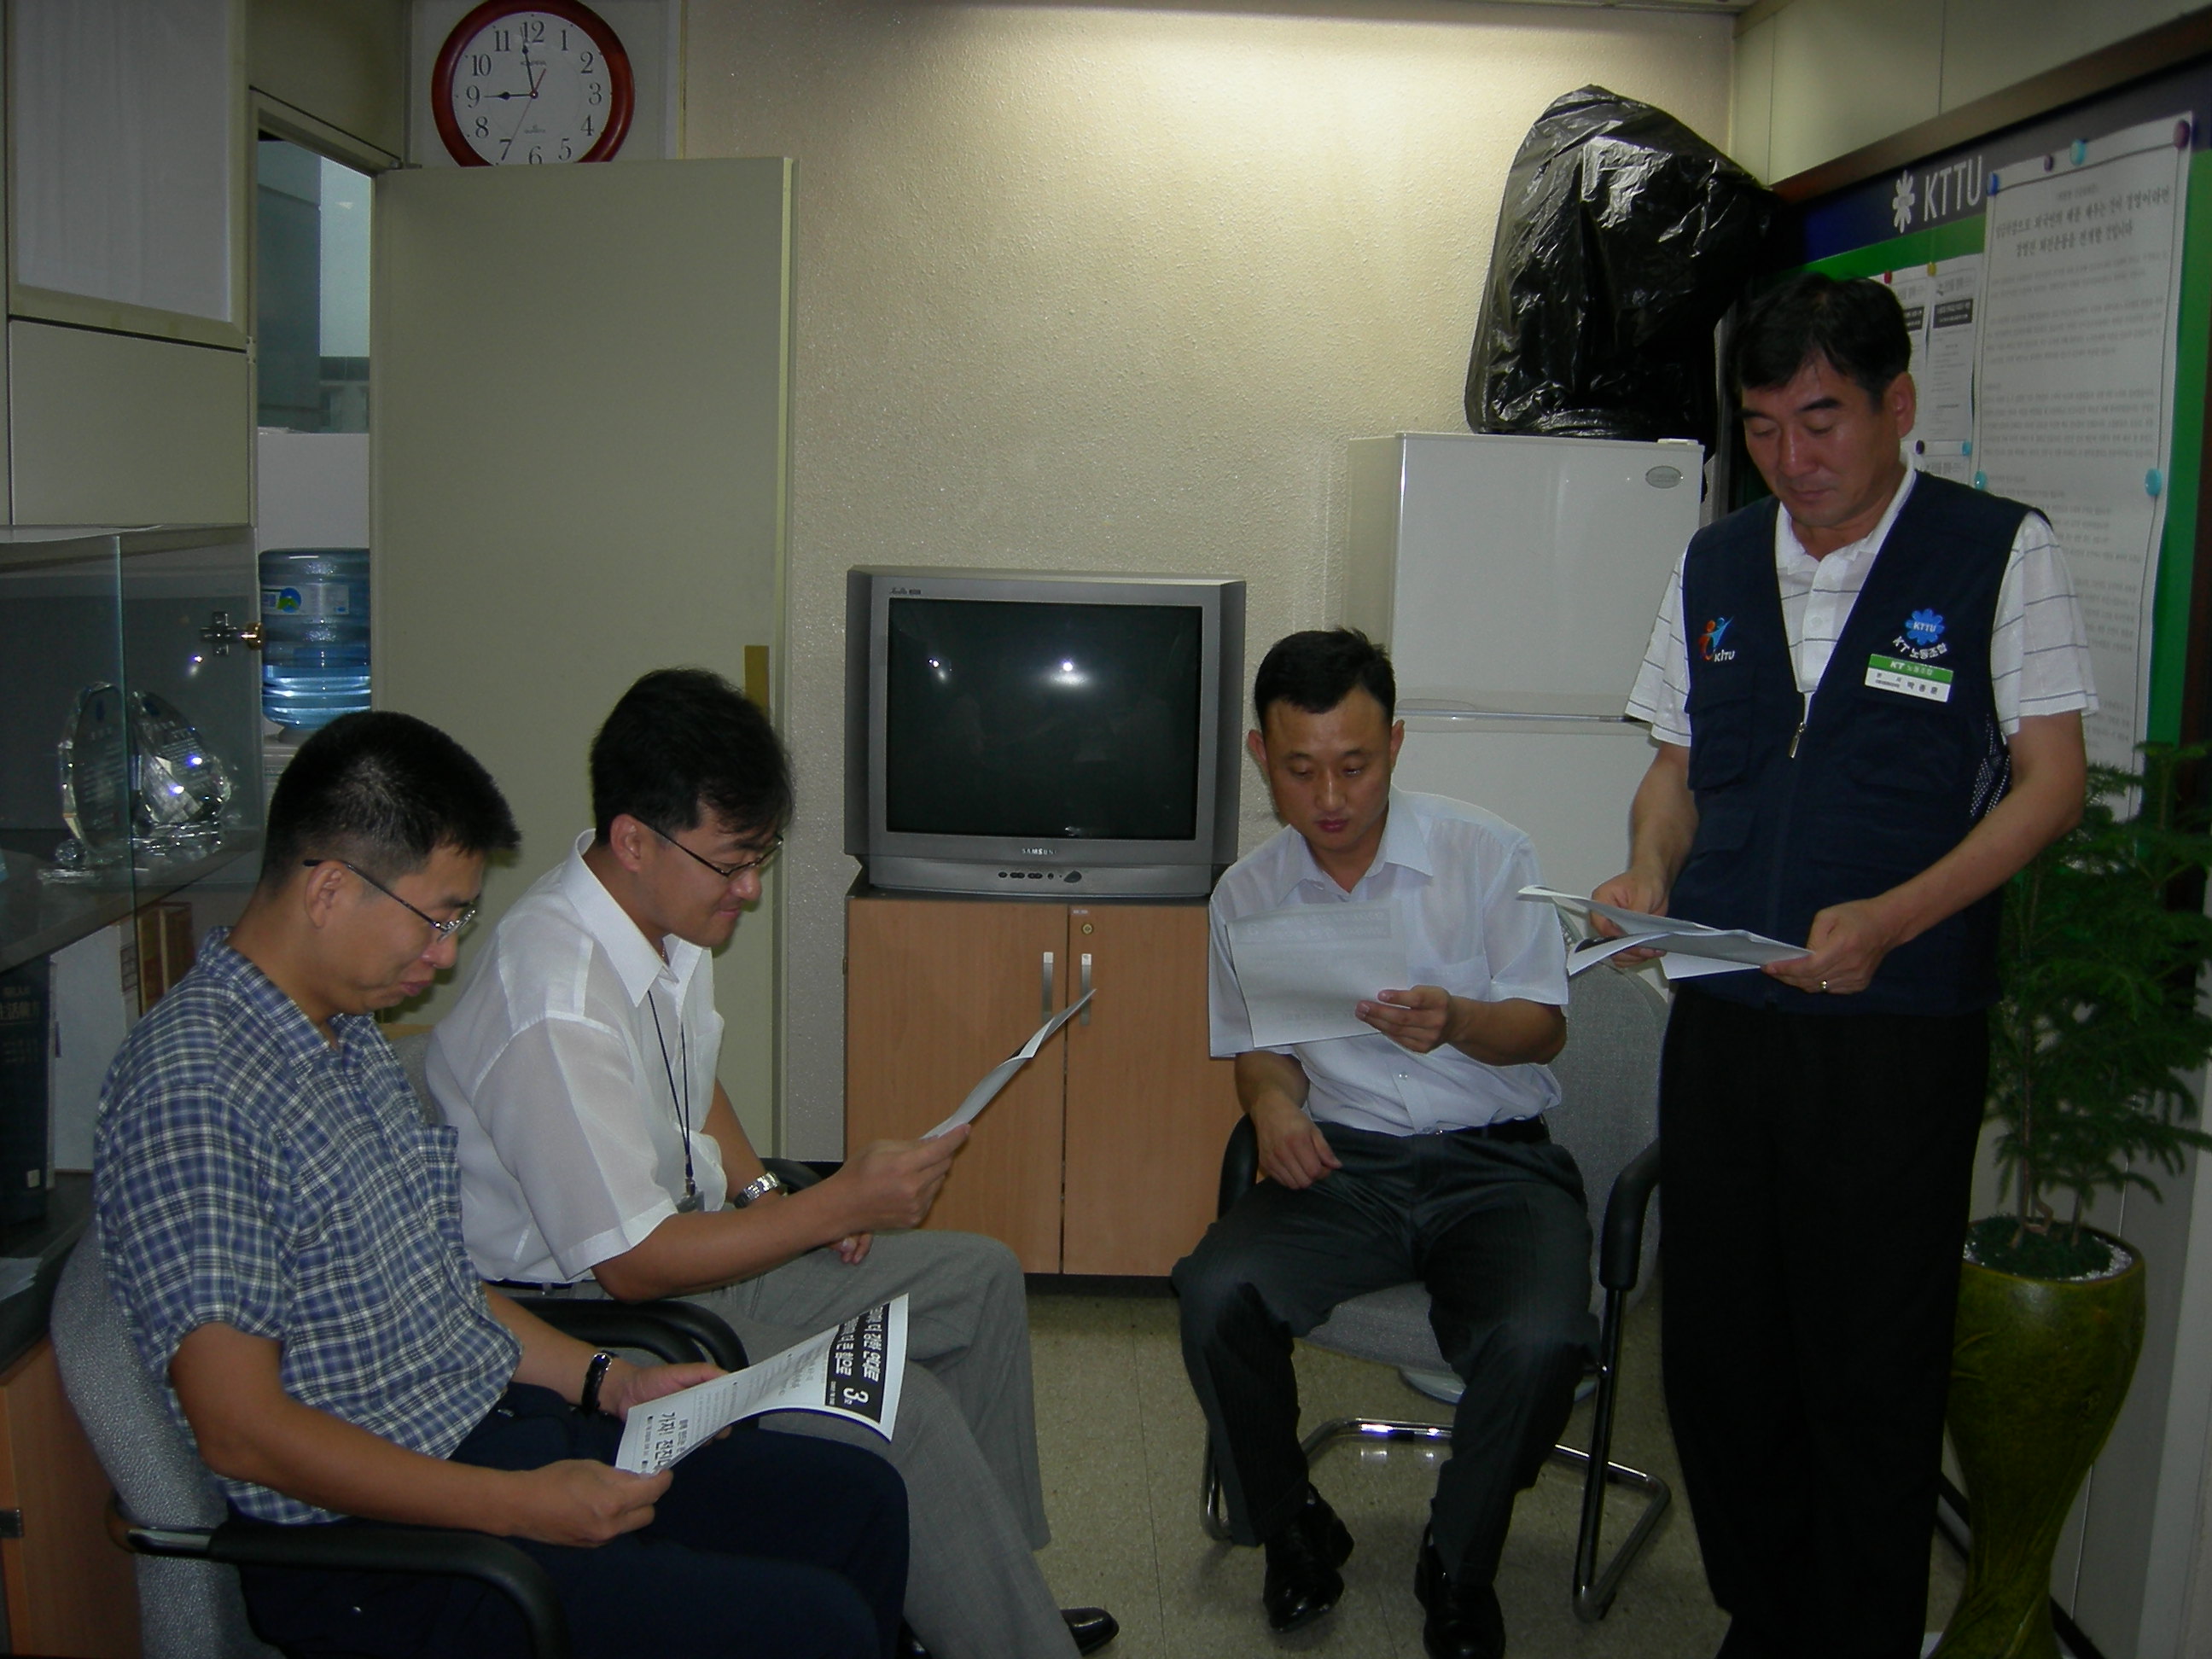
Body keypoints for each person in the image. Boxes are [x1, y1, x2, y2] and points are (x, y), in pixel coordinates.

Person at [94, 711, 908, 1659]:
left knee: (858, 1501)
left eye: (458, 922)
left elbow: (441, 1287)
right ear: (328, 889)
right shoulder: (195, 1090)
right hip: (387, 1550)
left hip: (496, 1433)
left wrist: (611, 1381)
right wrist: (518, 1506)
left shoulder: (343, 1035)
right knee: (815, 1627)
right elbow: (243, 1434)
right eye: (436, 917)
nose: (445, 955)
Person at [1593, 271, 2095, 1659]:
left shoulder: (1997, 551)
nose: (1791, 458)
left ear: (1896, 404)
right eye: (1762, 428)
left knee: (1867, 1364)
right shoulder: (1714, 561)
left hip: (1896, 1030)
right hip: (1725, 1011)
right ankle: (1768, 1617)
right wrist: (1647, 872)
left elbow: (2051, 784)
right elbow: (1677, 766)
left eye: (1819, 421)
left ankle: (1859, 1635)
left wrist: (1894, 918)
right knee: (1720, 1355)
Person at [428, 667, 1114, 1659]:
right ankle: (1004, 1636)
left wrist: (763, 1193)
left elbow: (691, 1081)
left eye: (760, 857)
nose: (749, 890)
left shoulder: (658, 922)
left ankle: (982, 1590)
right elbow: (633, 1264)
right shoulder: (554, 1000)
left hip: (698, 1245)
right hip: (604, 1310)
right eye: (731, 864)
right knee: (905, 1413)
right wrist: (830, 1207)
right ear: (634, 840)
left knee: (980, 1280)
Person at [1173, 629, 1592, 1659]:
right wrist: (1273, 1109)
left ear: (1395, 745)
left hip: (1496, 1161)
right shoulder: (1248, 895)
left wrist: (1460, 1021)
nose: (1329, 798)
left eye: (1354, 766)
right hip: (1346, 1164)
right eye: (1300, 769)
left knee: (1543, 1340)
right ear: (1260, 756)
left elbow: (1544, 1029)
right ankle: (1292, 1526)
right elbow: (1265, 1054)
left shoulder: (1487, 854)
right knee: (1215, 1290)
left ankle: (1458, 1557)